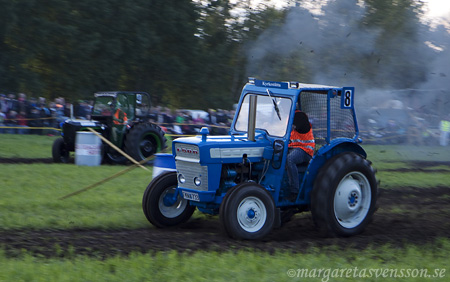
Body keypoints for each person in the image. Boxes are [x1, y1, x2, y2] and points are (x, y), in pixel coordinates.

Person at [286, 110, 315, 200]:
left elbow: (296, 126)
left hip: (305, 149)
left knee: (290, 159)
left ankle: (294, 191)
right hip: (291, 147)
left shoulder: (300, 116)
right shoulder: (286, 117)